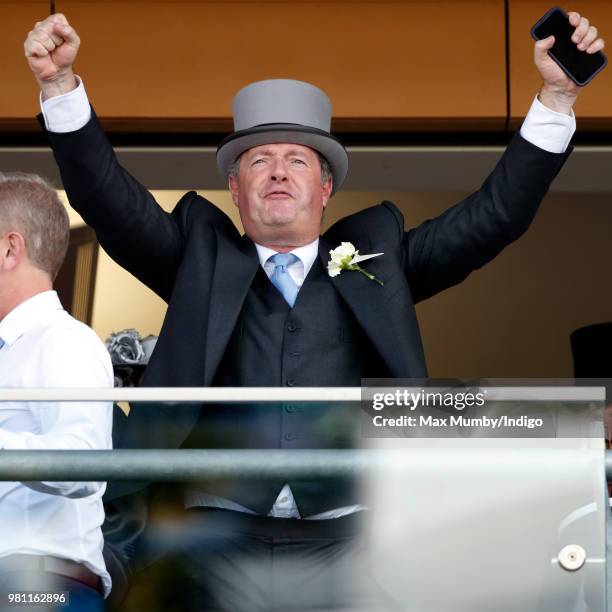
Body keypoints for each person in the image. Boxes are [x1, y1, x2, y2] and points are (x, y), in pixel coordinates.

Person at [24, 11, 605, 611]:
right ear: (236, 187)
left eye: (297, 160)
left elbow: (495, 215)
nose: (277, 170)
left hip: (354, 540)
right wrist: (59, 88)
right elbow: (108, 199)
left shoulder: (382, 260)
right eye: (258, 159)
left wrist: (556, 98)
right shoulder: (197, 256)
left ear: (325, 189)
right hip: (212, 540)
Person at [0, 173, 113, 609]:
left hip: (36, 587)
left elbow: (81, 464)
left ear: (10, 249)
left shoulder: (63, 340)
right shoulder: (14, 348)